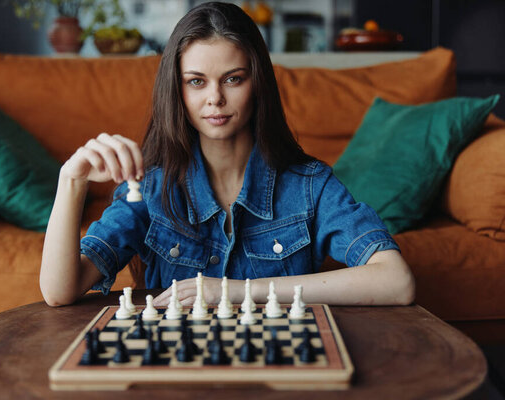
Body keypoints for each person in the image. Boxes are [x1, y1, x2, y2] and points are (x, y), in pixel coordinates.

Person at [40, 2, 415, 308]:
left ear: (258, 83)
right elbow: (60, 291)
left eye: (233, 78)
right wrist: (71, 180)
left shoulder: (309, 185)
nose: (215, 98)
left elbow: (396, 281)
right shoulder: (152, 189)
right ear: (178, 90)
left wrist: (235, 292)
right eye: (196, 81)